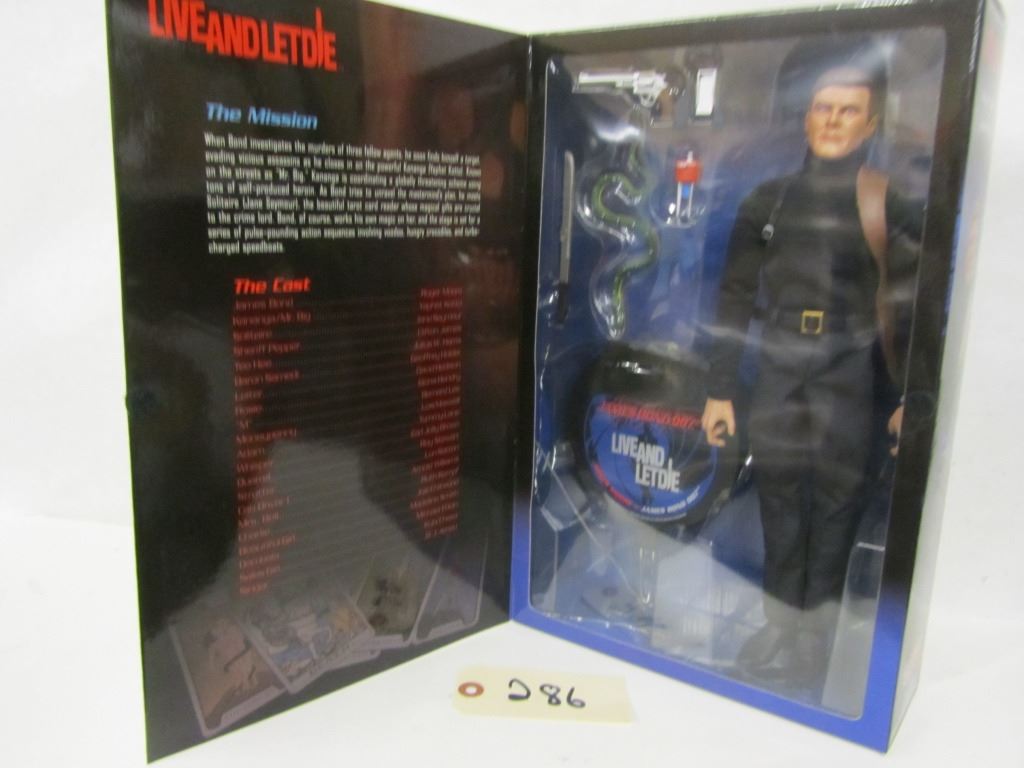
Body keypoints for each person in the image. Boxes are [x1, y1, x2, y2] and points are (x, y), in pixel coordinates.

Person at [701, 59, 921, 690]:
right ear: (806, 117)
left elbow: (913, 306)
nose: (832, 121)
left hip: (850, 371)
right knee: (777, 495)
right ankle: (780, 623)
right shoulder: (767, 201)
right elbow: (733, 297)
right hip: (779, 361)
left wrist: (914, 396)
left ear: (870, 124)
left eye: (848, 111)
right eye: (824, 108)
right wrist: (720, 390)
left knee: (836, 503)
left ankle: (814, 638)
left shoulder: (886, 201)